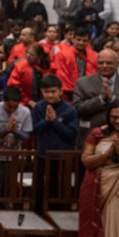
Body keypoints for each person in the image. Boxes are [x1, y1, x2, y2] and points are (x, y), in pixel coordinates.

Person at [78, 106, 119, 237]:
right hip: (102, 188)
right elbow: (86, 161)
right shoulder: (98, 134)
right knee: (106, 224)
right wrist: (107, 154)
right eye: (114, 117)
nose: (117, 121)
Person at [32, 74, 78, 212]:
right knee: (40, 189)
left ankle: (59, 219)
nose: (50, 95)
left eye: (53, 92)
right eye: (46, 92)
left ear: (60, 91)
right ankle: (39, 219)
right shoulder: (39, 107)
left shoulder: (70, 109)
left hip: (62, 157)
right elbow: (33, 130)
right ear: (41, 92)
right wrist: (46, 120)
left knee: (59, 189)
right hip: (42, 155)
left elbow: (71, 134)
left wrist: (55, 121)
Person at [0, 86, 33, 202]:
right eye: (9, 106)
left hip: (13, 156)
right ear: (3, 100)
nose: (11, 109)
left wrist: (15, 131)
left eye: (15, 107)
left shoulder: (25, 112)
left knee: (9, 188)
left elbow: (26, 136)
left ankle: (5, 212)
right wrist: (6, 130)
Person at [73, 49, 119, 149]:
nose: (104, 66)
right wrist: (100, 99)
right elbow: (77, 109)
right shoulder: (83, 83)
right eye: (101, 63)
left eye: (109, 63)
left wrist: (113, 99)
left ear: (117, 63)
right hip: (89, 139)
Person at [54, 26, 97, 99]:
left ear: (89, 41)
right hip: (69, 93)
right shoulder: (62, 54)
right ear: (73, 39)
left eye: (84, 40)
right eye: (78, 39)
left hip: (90, 92)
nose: (81, 43)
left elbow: (96, 75)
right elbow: (62, 74)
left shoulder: (95, 55)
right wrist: (71, 92)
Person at [7, 43, 50, 107]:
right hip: (21, 102)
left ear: (39, 57)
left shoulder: (44, 67)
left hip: (39, 102)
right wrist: (27, 100)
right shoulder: (19, 66)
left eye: (32, 55)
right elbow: (13, 85)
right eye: (28, 52)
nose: (28, 55)